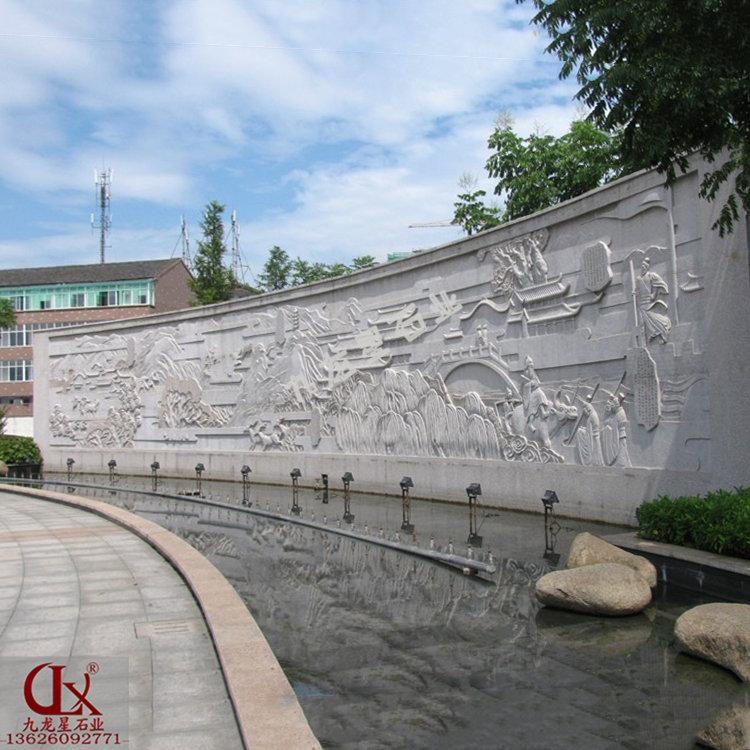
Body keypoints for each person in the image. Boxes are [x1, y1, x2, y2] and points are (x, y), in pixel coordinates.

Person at [636, 258, 672, 343]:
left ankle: (664, 328)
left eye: (644, 267)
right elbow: (638, 290)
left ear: (647, 268)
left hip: (648, 301)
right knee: (642, 322)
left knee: (653, 317)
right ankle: (645, 340)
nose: (642, 269)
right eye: (641, 268)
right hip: (641, 302)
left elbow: (657, 284)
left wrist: (654, 294)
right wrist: (635, 292)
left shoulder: (651, 275)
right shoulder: (639, 279)